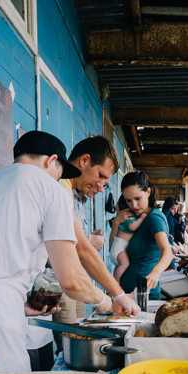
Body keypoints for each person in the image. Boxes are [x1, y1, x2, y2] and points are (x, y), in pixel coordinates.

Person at [0, 131, 113, 374]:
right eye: (60, 173)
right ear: (51, 161)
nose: (58, 179)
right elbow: (70, 279)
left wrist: (18, 304)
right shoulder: (50, 189)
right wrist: (106, 302)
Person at [52, 136, 141, 342]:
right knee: (68, 342)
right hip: (59, 282)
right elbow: (81, 249)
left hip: (72, 283)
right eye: (101, 175)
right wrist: (115, 295)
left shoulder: (76, 195)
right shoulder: (60, 188)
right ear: (84, 161)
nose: (101, 186)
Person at [115, 172, 174, 299]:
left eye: (137, 199)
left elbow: (167, 252)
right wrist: (116, 222)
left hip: (143, 293)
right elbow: (113, 248)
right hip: (126, 292)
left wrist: (155, 273)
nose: (134, 205)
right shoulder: (134, 217)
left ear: (148, 192)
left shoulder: (154, 218)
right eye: (128, 201)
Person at [109, 194, 146, 281]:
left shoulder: (121, 219)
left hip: (116, 249)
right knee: (124, 264)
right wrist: (141, 218)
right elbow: (132, 227)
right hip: (120, 249)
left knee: (119, 266)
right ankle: (117, 283)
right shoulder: (129, 217)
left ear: (118, 206)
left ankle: (115, 280)